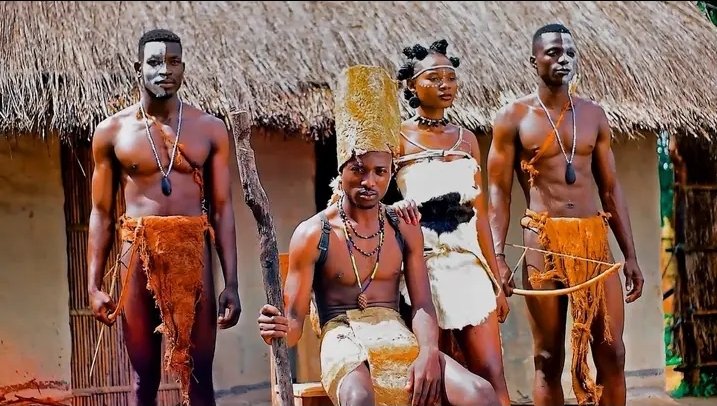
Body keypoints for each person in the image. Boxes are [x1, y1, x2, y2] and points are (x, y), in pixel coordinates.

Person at [257, 64, 499, 406]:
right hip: (343, 339)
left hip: (398, 336)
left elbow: (422, 304)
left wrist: (428, 352)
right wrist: (279, 327)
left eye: (380, 172)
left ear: (391, 173)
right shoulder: (314, 233)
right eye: (358, 170)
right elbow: (294, 321)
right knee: (359, 398)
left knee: (481, 393)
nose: (369, 181)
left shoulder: (402, 227)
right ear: (341, 170)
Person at [487, 23, 645, 406]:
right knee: (547, 357)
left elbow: (610, 189)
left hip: (593, 241)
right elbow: (498, 194)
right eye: (554, 52)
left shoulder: (594, 115)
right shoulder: (513, 117)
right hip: (542, 241)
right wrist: (498, 257)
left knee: (613, 352)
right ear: (534, 61)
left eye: (570, 53)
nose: (564, 60)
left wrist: (630, 256)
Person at [87, 29, 240, 406]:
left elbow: (222, 209)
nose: (164, 70)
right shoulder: (112, 132)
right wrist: (93, 284)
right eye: (155, 62)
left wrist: (232, 282)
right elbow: (101, 212)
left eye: (173, 62)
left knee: (200, 376)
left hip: (193, 252)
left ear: (183, 68)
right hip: (137, 251)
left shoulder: (209, 129)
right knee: (144, 378)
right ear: (138, 68)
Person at [389, 39, 510, 406]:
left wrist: (496, 282)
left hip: (469, 267)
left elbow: (480, 215)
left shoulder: (467, 140)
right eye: (434, 78)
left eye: (451, 77)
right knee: (434, 381)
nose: (445, 85)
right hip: (421, 270)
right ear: (412, 85)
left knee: (491, 372)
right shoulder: (397, 140)